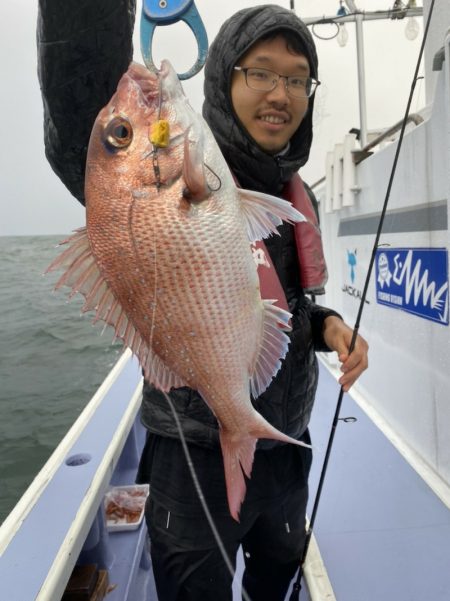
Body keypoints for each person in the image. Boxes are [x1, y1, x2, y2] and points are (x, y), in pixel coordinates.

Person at [37, 3, 368, 600]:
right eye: (260, 72)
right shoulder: (169, 174)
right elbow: (82, 94)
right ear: (222, 76)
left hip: (282, 442)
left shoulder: (294, 194)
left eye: (297, 79)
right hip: (187, 452)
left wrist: (330, 326)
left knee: (276, 585)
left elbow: (288, 303)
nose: (280, 93)